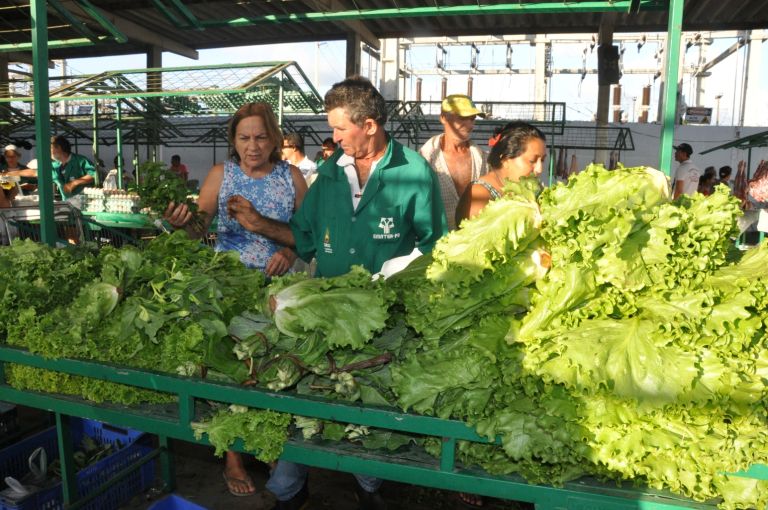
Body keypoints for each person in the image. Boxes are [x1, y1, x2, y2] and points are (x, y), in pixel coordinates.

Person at [275, 76, 447, 509]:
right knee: (305, 398)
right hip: (326, 313)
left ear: (369, 125)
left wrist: (398, 275)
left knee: (366, 407)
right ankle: (288, 491)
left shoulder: (413, 171)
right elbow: (306, 234)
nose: (331, 138)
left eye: (339, 129)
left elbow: (435, 247)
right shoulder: (331, 171)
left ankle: (368, 487)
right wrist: (262, 227)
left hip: (384, 323)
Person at [164, 102, 307, 497]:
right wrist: (182, 222)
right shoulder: (219, 175)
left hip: (276, 292)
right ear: (234, 141)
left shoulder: (291, 177)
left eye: (261, 137)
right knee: (229, 370)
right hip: (228, 290)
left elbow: (307, 234)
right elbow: (198, 229)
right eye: (244, 138)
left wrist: (290, 253)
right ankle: (233, 456)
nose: (253, 146)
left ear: (275, 139)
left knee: (274, 371)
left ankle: (269, 443)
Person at [419, 94, 488, 230]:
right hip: (436, 241)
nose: (470, 125)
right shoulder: (425, 158)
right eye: (462, 118)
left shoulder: (483, 159)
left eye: (472, 119)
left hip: (474, 240)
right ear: (443, 118)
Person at [456, 121, 547, 223]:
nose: (539, 169)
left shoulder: (530, 190)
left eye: (542, 160)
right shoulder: (479, 194)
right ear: (505, 160)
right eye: (532, 161)